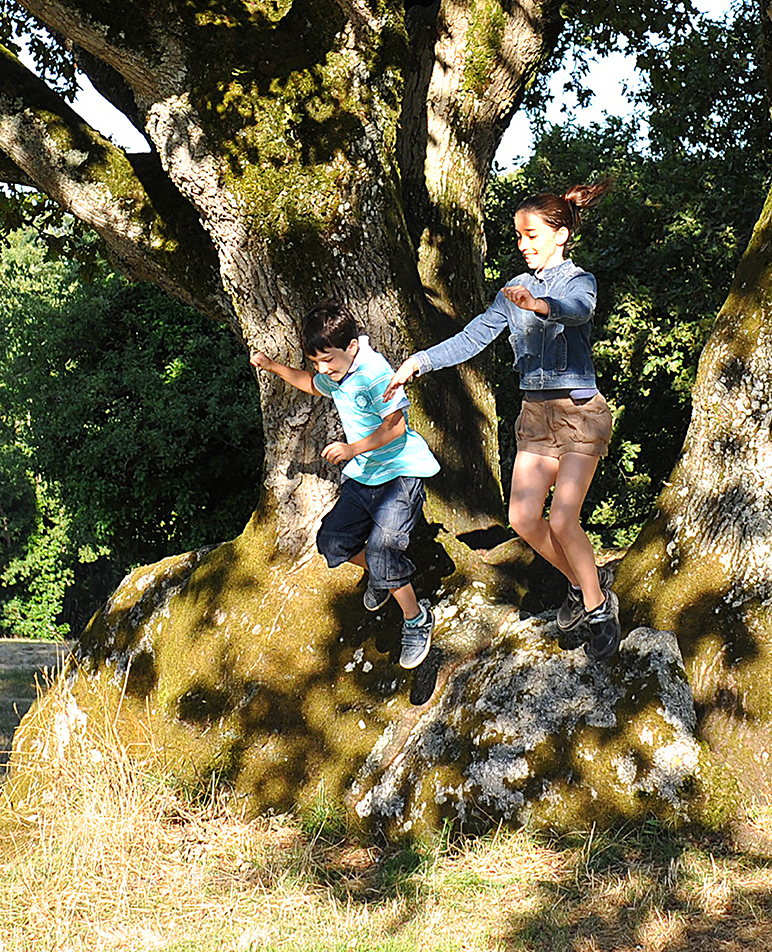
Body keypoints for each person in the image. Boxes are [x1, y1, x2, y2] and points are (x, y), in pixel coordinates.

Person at [383, 180, 621, 656]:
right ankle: (582, 580)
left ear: (560, 235)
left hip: (578, 413)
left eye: (531, 235)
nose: (523, 245)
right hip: (536, 417)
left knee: (562, 519)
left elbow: (578, 311)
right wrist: (419, 362)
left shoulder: (579, 282)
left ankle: (598, 607)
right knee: (522, 517)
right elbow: (471, 339)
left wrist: (542, 306)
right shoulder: (512, 292)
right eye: (518, 236)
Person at [250, 303, 442, 669]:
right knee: (332, 541)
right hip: (364, 477)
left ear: (351, 347)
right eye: (317, 361)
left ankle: (417, 619)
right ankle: (383, 575)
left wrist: (352, 448)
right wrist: (272, 366)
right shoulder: (334, 374)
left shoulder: (373, 373)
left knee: (385, 548)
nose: (323, 369)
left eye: (328, 361)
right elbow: (311, 384)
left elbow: (396, 426)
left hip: (400, 473)